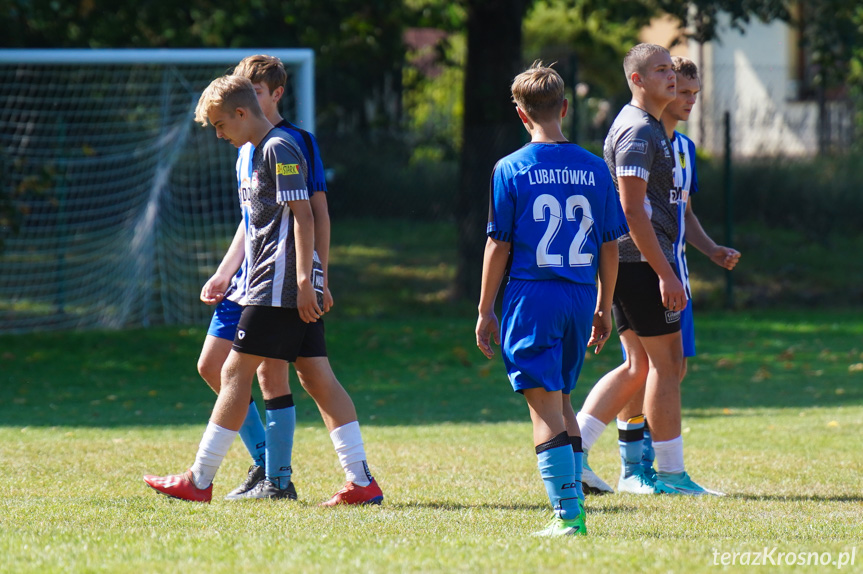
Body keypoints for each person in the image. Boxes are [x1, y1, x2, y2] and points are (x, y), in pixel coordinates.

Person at [193, 54, 382, 505]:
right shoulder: (247, 148)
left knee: (253, 374)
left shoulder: (287, 144)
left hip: (281, 281)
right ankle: (352, 481)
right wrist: (226, 271)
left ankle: (251, 476)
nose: (249, 100)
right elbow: (254, 217)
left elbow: (311, 213)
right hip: (257, 277)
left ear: (272, 95)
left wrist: (314, 277)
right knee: (293, 375)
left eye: (256, 91)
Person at [475, 61, 628, 537]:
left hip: (532, 295)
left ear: (522, 115)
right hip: (580, 296)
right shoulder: (593, 167)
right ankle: (574, 502)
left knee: (543, 406)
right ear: (564, 107)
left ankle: (567, 516)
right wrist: (604, 305)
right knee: (561, 399)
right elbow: (609, 244)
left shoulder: (510, 168)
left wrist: (485, 309)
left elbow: (499, 243)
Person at [577, 56, 740, 496]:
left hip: (636, 264)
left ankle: (571, 451)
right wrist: (666, 272)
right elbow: (631, 211)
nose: (672, 77)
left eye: (674, 70)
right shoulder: (638, 131)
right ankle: (669, 474)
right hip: (641, 264)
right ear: (637, 79)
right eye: (663, 71)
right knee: (664, 367)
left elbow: (669, 208)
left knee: (640, 366)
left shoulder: (652, 130)